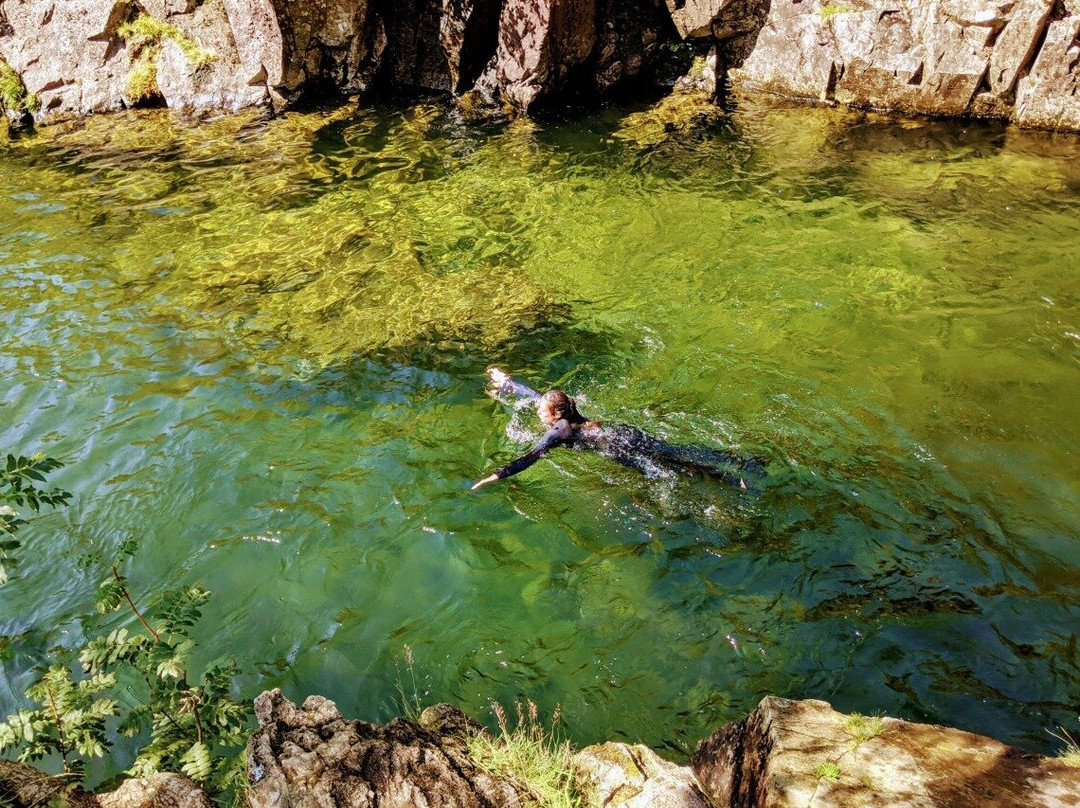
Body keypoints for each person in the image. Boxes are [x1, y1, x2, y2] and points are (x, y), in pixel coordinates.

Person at [472, 368, 757, 490]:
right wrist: (507, 382)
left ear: (554, 415)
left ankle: (731, 482)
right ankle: (738, 461)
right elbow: (536, 396)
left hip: (615, 447)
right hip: (619, 431)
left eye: (541, 411)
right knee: (673, 452)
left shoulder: (557, 431)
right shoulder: (566, 413)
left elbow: (531, 456)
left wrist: (495, 476)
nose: (536, 410)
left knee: (672, 469)